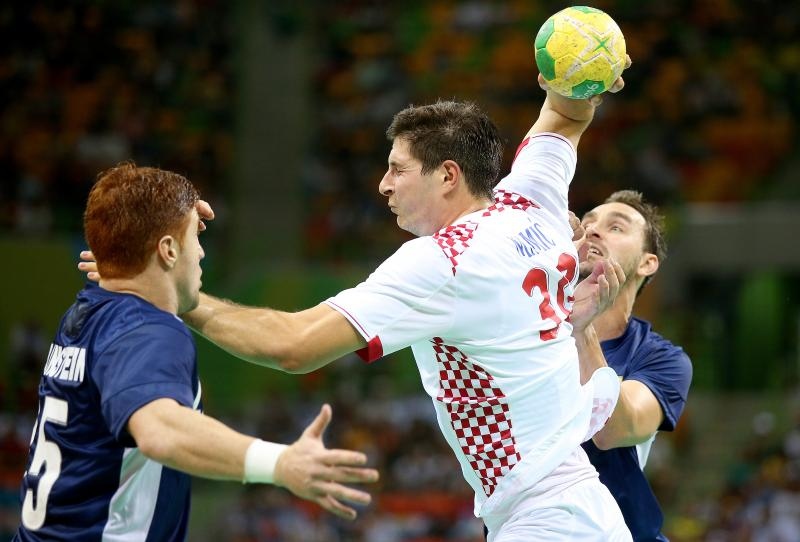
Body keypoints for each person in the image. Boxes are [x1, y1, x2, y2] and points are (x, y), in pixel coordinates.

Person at [80, 67, 634, 539]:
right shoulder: (531, 198)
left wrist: (180, 296)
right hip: (582, 503)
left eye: (397, 168)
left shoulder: (445, 261)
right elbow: (566, 117)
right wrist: (582, 77)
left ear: (448, 176)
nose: (382, 185)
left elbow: (292, 346)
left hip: (546, 518)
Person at [15, 163, 378, 542]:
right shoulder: (148, 329)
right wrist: (280, 463)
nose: (201, 252)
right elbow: (160, 430)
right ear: (168, 250)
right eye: (194, 238)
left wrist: (164, 215)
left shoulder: (86, 312)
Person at [570, 190, 693, 541]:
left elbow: (612, 431)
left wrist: (583, 330)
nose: (593, 230)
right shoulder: (530, 332)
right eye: (588, 221)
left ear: (647, 263)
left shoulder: (663, 360)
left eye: (616, 227)